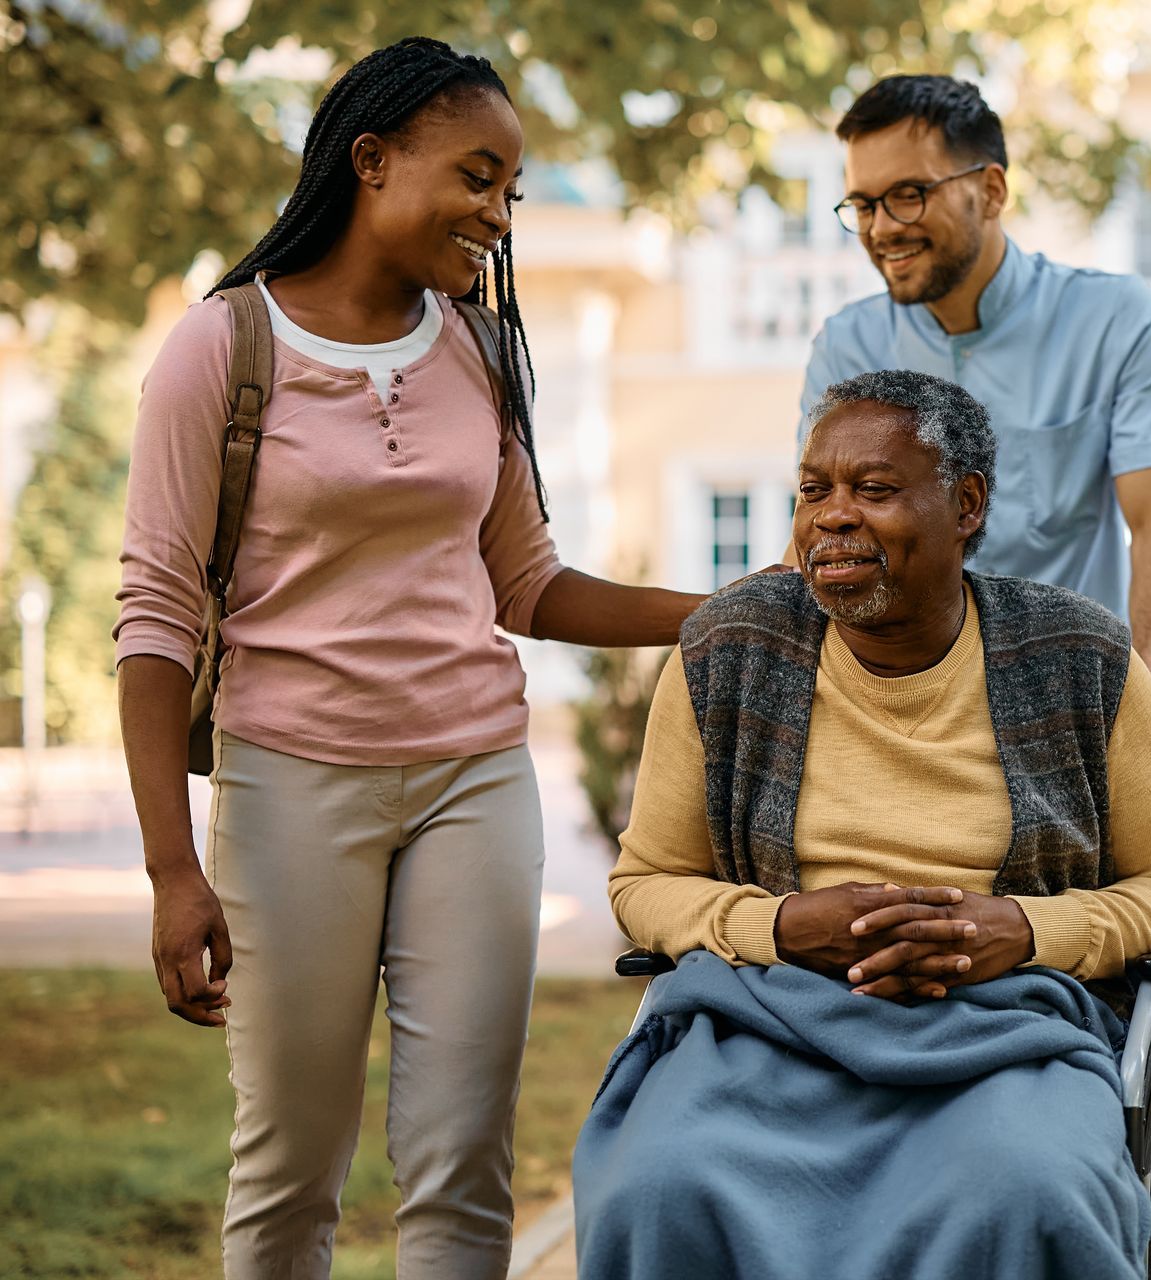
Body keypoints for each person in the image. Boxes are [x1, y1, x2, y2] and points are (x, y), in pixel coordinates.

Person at [113, 39, 717, 1279]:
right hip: (291, 787)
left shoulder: (479, 352)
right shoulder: (221, 349)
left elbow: (530, 584)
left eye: (513, 191)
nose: (499, 215)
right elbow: (158, 618)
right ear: (372, 160)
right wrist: (173, 870)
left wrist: (718, 610)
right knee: (290, 1164)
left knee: (461, 1159)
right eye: (478, 177)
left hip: (474, 780)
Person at [574, 371, 1151, 1277]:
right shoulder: (728, 650)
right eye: (814, 491)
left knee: (1028, 1188)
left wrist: (1026, 930)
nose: (832, 517)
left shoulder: (1080, 656)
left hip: (1008, 1031)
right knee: (660, 1182)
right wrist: (780, 926)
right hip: (769, 1020)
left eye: (874, 490)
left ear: (965, 504)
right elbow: (644, 885)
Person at [799, 75, 1151, 753]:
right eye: (864, 204)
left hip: (1069, 718)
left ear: (990, 190)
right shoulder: (846, 345)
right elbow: (821, 538)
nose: (882, 228)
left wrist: (1146, 696)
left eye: (908, 195)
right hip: (894, 725)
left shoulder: (1114, 320)